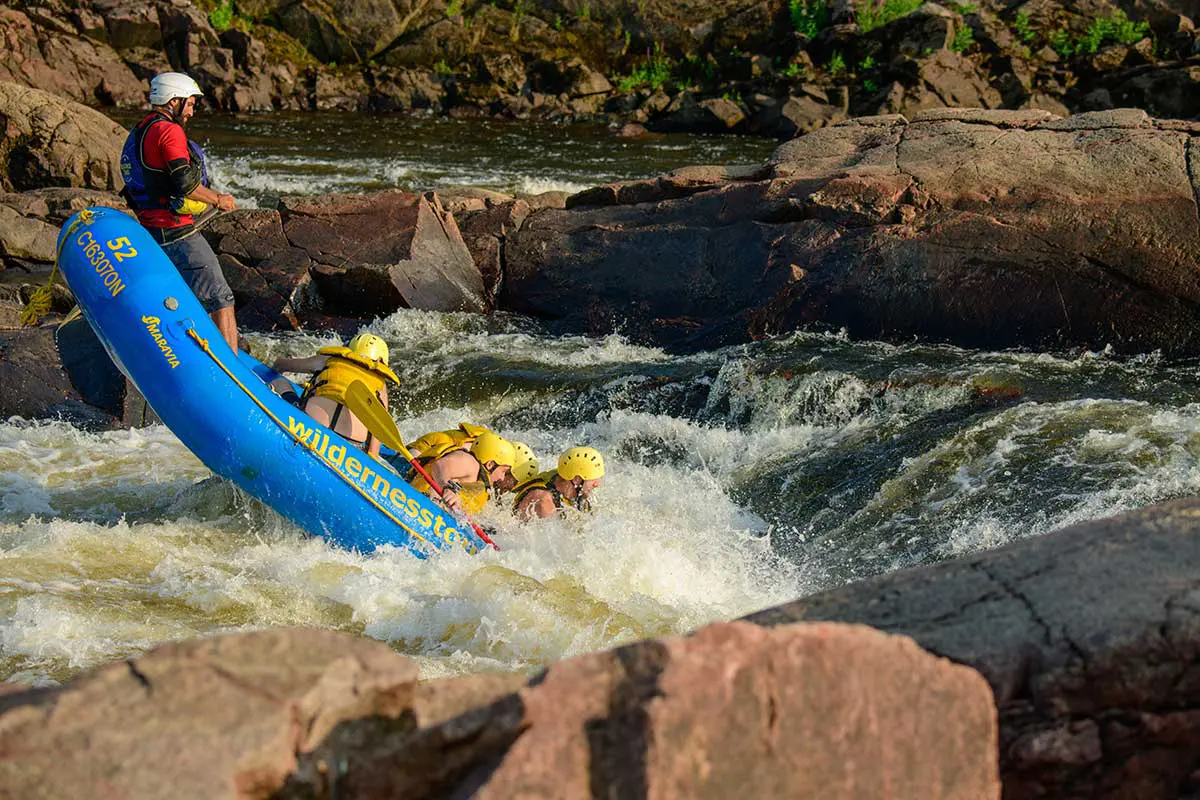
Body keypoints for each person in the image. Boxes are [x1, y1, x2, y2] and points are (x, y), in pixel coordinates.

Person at [120, 72, 239, 351]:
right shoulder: (169, 131)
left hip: (149, 231)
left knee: (181, 298)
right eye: (190, 104)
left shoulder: (141, 129)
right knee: (220, 297)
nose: (192, 111)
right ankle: (233, 374)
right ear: (174, 100)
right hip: (176, 233)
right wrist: (218, 198)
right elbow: (184, 181)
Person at [270, 333, 398, 458]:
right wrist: (371, 457)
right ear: (382, 361)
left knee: (279, 382)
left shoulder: (327, 360)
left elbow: (283, 365)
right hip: (349, 446)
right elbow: (378, 431)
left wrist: (274, 368)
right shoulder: (381, 386)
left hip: (308, 424)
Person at [408, 431, 518, 514]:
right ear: (490, 465)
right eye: (504, 471)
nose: (503, 478)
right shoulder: (471, 463)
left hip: (422, 506)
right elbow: (439, 466)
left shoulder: (479, 481)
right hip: (414, 501)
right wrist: (447, 487)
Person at [513, 446, 605, 521]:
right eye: (593, 480)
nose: (597, 484)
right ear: (577, 479)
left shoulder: (563, 477)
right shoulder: (544, 502)